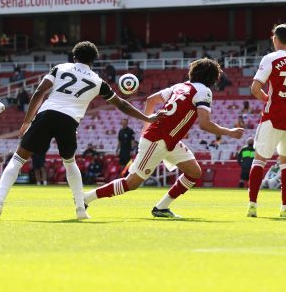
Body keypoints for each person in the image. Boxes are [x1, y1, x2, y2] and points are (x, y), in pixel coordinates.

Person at [0, 41, 157, 221]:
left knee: (18, 159)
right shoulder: (98, 81)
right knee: (69, 163)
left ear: (74, 57)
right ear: (94, 61)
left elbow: (39, 92)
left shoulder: (60, 68)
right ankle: (81, 210)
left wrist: (27, 121)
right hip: (69, 121)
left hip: (46, 115)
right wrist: (147, 118)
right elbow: (121, 104)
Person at [84, 58, 244, 218]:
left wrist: (146, 127)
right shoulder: (204, 91)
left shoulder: (180, 86)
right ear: (212, 77)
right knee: (131, 183)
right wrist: (230, 132)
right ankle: (86, 198)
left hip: (168, 140)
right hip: (158, 139)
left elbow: (151, 100)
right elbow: (204, 124)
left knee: (194, 172)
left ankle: (161, 207)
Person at [247, 24, 286, 218]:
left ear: (274, 39)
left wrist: (267, 98)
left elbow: (255, 88)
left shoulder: (271, 58)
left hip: (273, 116)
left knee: (259, 160)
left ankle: (253, 205)